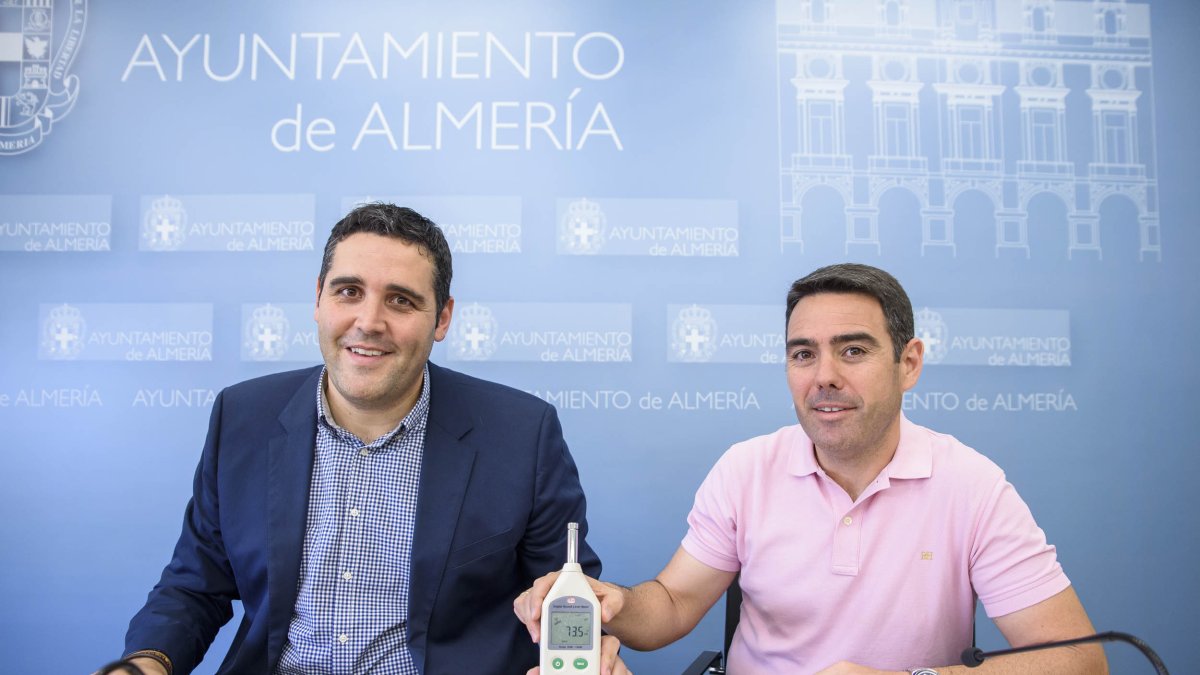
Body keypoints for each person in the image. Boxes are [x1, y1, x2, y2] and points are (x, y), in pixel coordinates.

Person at [516, 263, 1107, 674]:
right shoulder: (747, 468)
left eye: (853, 350)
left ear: (909, 363)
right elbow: (671, 605)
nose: (823, 375)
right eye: (803, 354)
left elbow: (1078, 661)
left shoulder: (972, 486)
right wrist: (610, 601)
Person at [116, 203, 601, 675]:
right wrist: (146, 664)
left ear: (443, 318)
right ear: (318, 300)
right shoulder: (243, 416)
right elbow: (195, 585)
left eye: (400, 300)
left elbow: (562, 596)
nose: (368, 321)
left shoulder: (521, 434)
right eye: (348, 291)